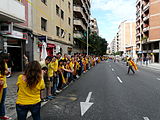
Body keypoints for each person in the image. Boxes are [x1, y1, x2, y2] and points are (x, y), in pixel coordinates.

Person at [0, 53, 11, 120]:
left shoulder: (4, 64)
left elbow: (6, 72)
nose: (6, 60)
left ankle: (2, 114)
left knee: (2, 101)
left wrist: (7, 72)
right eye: (5, 59)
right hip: (1, 85)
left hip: (4, 85)